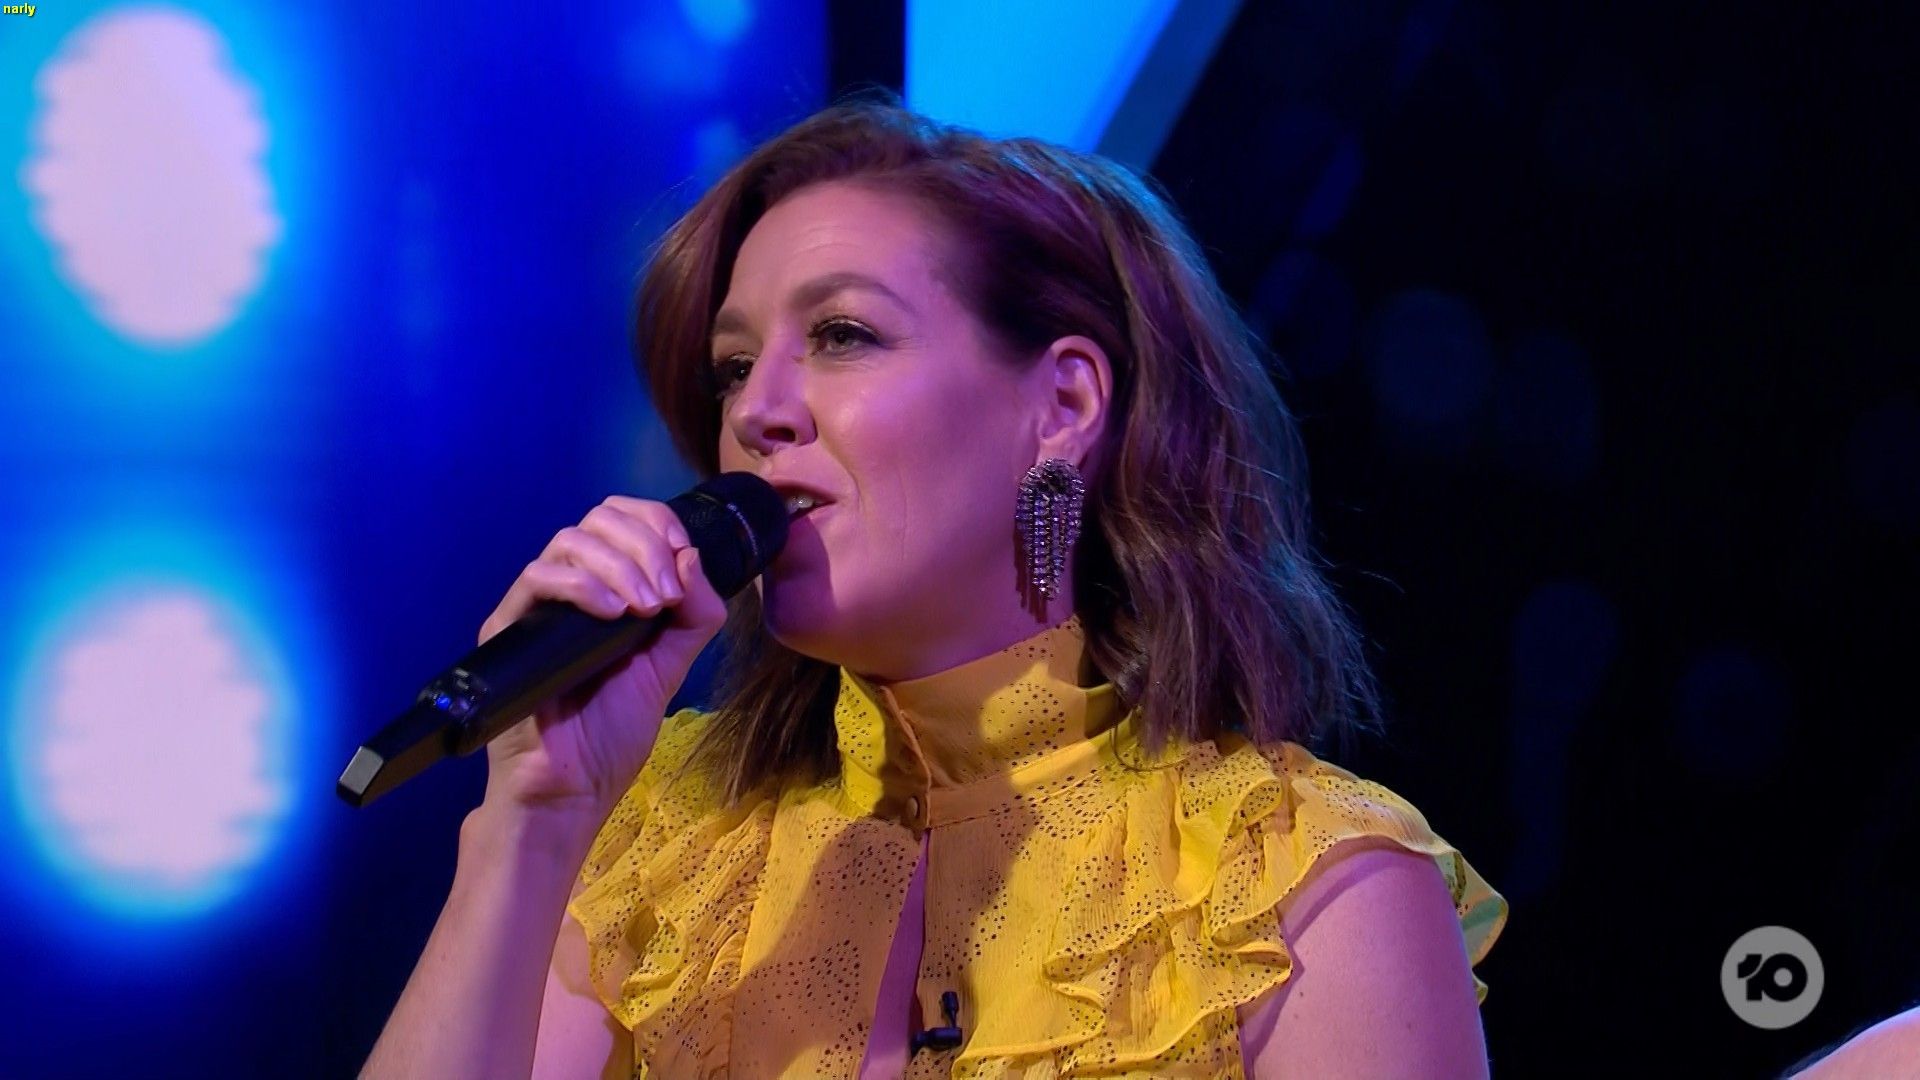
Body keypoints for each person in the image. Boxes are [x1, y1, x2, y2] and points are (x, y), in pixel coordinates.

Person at [362, 92, 1509, 1079]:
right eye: (733, 366)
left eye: (843, 335)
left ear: (1064, 404)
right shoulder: (658, 835)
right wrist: (534, 818)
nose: (758, 410)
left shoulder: (1310, 886)